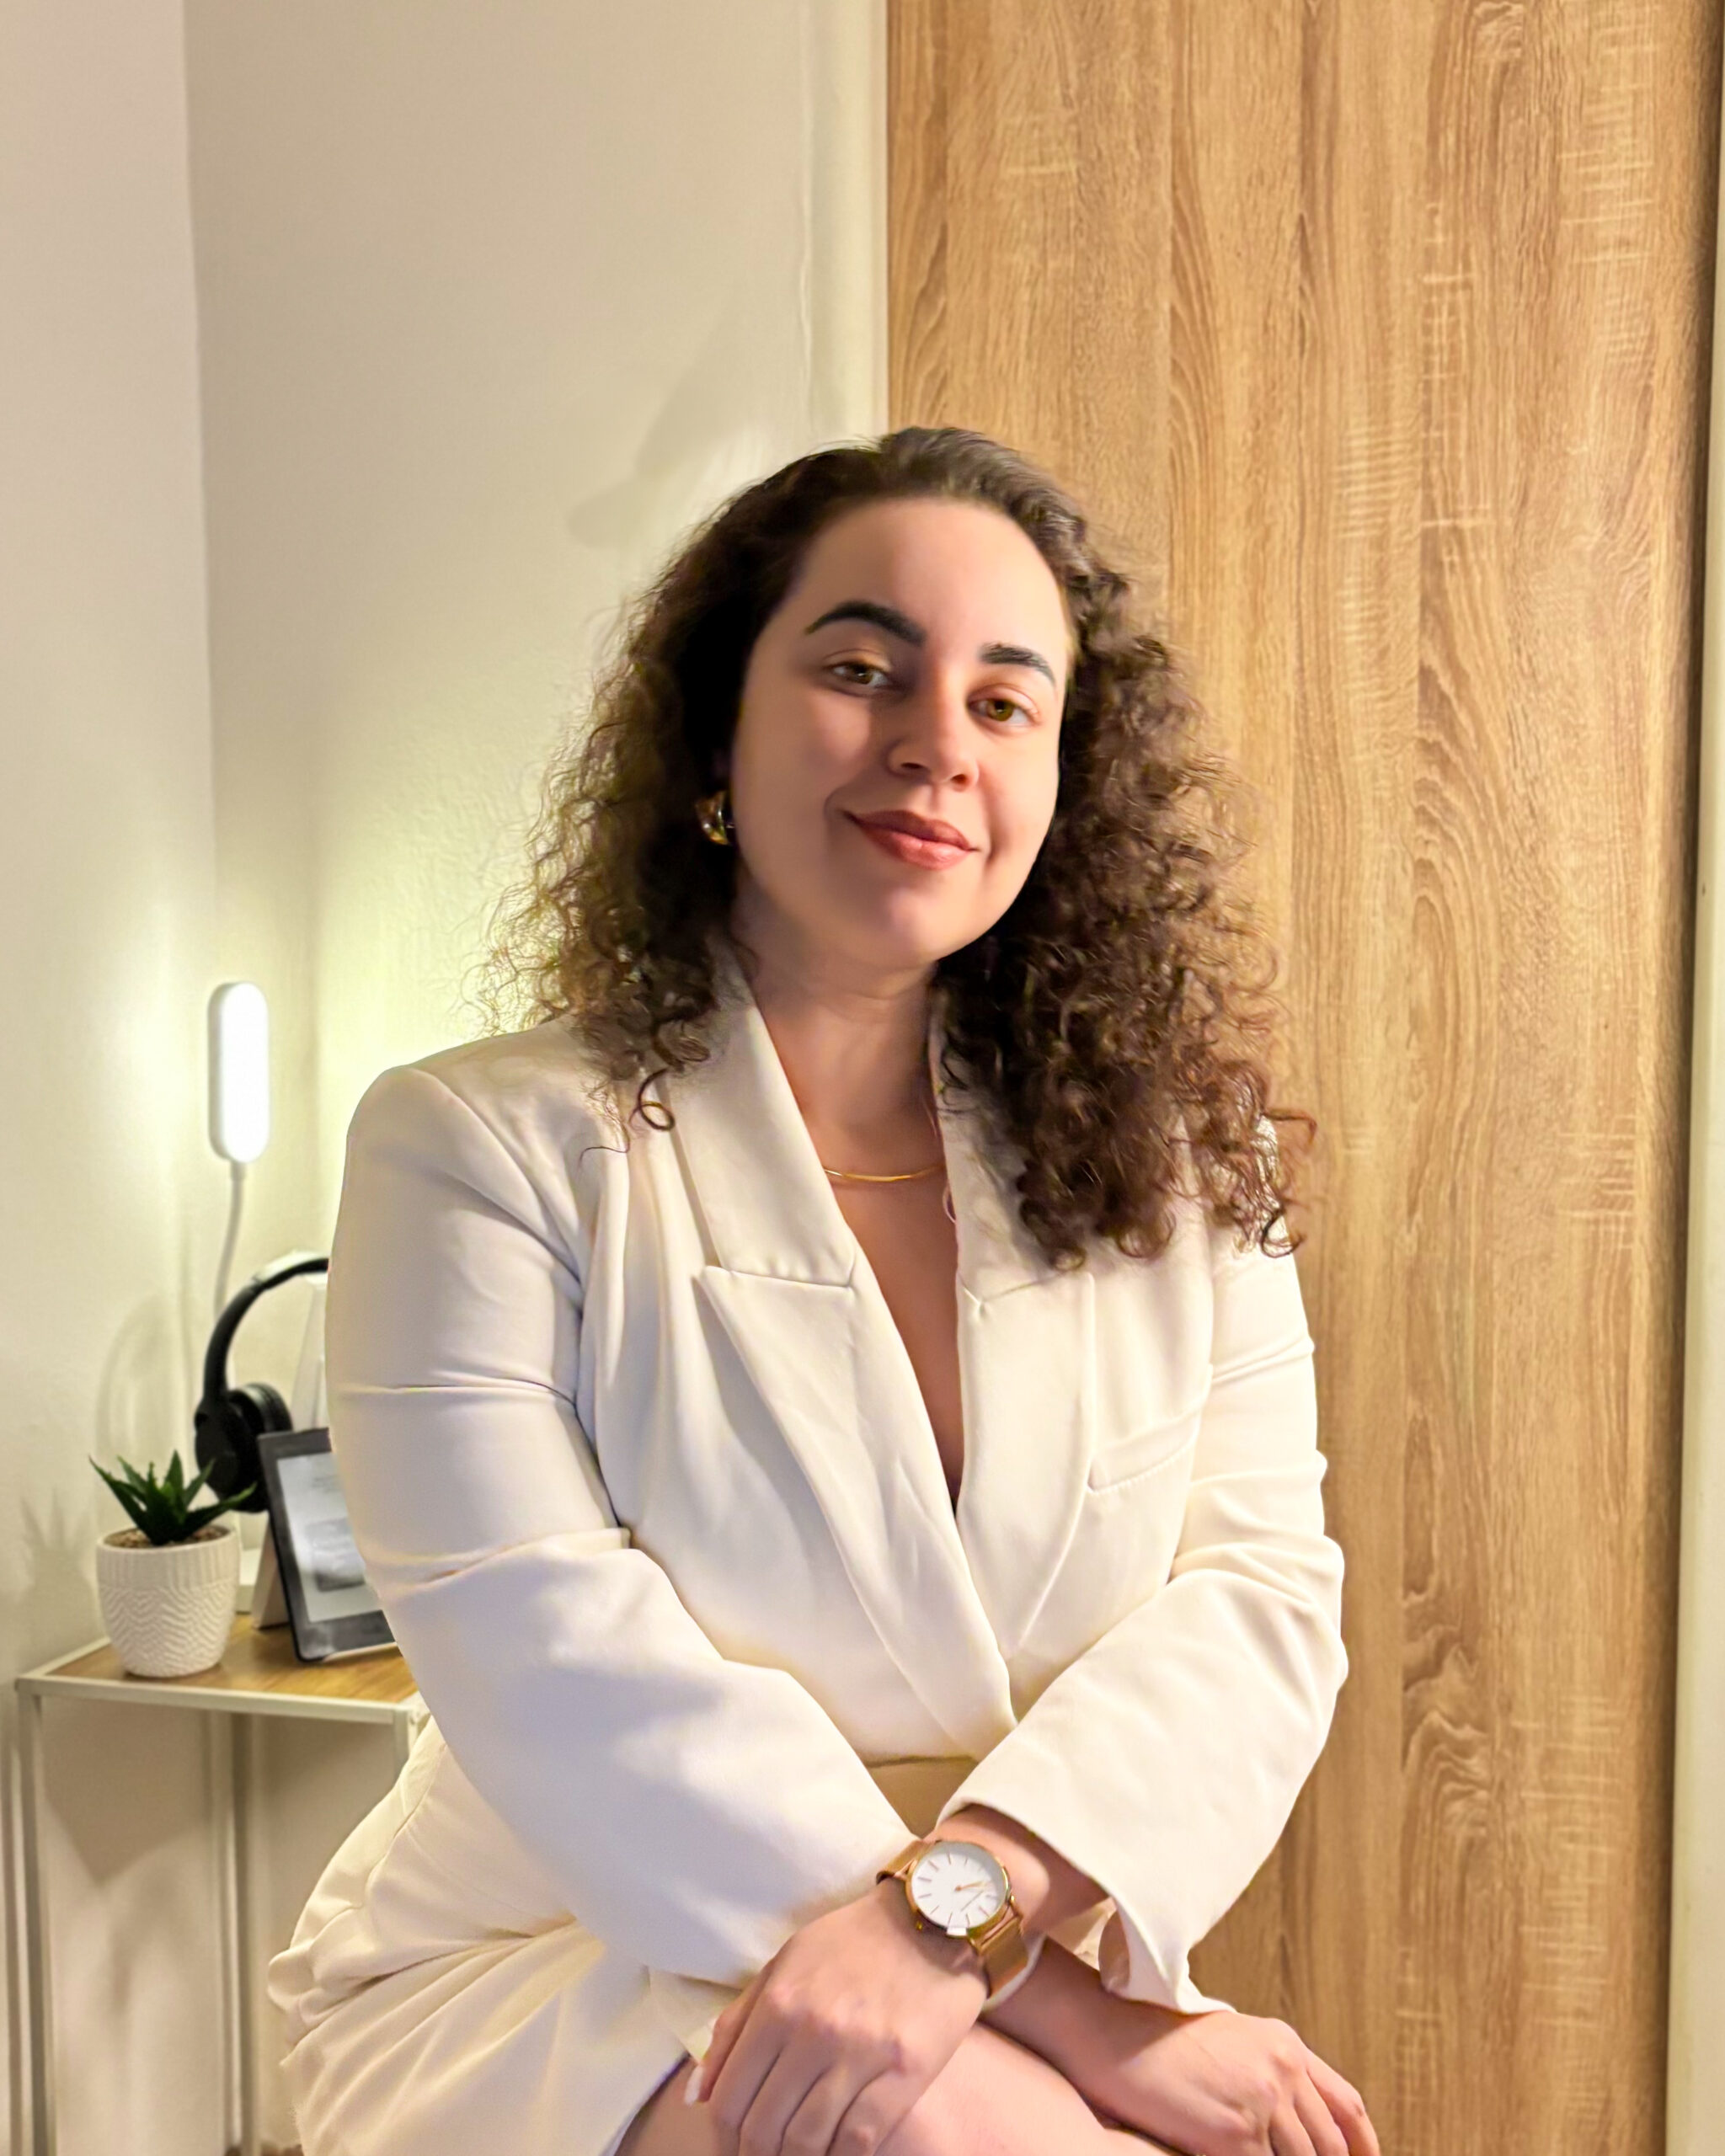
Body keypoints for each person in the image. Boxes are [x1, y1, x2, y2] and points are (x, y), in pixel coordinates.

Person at [267, 426, 1381, 2156]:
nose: (936, 739)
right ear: (718, 727)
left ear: (1062, 784)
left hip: (978, 1965)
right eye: (860, 667)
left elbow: (1259, 1604)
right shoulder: (471, 1149)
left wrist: (973, 1914)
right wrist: (1084, 2013)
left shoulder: (1182, 1167)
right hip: (559, 1953)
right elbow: (559, 1670)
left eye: (1006, 702)